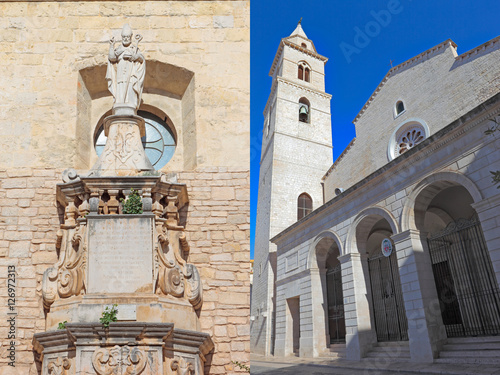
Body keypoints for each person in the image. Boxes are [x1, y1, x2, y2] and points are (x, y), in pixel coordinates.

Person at [106, 24, 145, 113]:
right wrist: (112, 46)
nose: (126, 39)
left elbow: (141, 58)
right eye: (124, 37)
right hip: (120, 73)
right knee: (120, 87)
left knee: (131, 87)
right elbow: (112, 58)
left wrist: (134, 57)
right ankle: (120, 103)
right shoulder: (119, 49)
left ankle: (130, 104)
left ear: (131, 37)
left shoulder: (134, 48)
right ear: (122, 37)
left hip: (131, 73)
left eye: (127, 37)